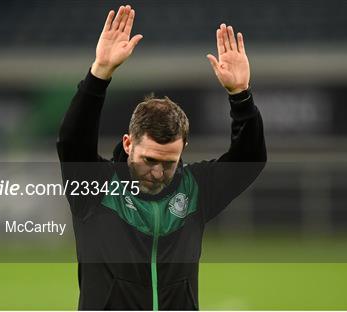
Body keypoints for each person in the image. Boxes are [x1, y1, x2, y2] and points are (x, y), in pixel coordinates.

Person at [56, 4, 266, 310]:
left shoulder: (196, 190)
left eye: (169, 163)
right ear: (128, 144)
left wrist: (241, 95)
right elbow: (72, 141)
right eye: (149, 160)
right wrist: (99, 74)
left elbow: (250, 159)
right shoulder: (95, 188)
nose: (157, 172)